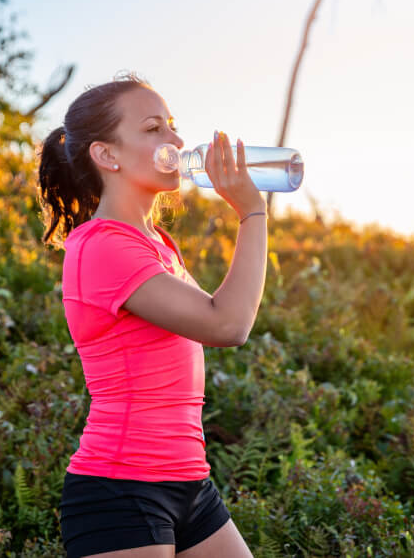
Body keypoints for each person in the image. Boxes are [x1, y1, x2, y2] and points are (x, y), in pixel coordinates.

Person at [37, 72, 266, 558]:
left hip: (189, 485)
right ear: (106, 155)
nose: (176, 141)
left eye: (172, 126)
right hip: (119, 488)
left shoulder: (157, 245)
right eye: (153, 128)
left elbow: (223, 314)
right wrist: (252, 214)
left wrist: (252, 213)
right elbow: (229, 324)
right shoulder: (102, 247)